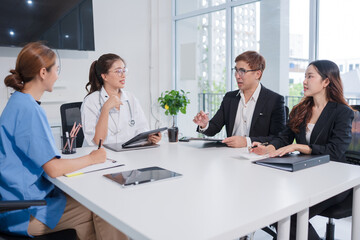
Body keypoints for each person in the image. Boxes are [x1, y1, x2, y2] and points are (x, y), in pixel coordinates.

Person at [0, 42, 127, 239]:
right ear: (43, 72)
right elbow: (53, 168)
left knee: (93, 211)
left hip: (20, 201)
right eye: (56, 70)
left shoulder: (18, 102)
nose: (57, 75)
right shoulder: (29, 110)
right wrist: (93, 158)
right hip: (25, 211)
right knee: (105, 208)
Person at [251, 60, 354, 240]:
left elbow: (336, 151)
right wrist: (269, 148)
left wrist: (300, 146)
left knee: (288, 216)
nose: (304, 81)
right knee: (277, 210)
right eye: (304, 76)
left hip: (333, 180)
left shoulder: (342, 112)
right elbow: (284, 137)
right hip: (304, 177)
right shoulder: (301, 109)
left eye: (310, 76)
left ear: (326, 82)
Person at [193, 51, 286, 148]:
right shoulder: (229, 98)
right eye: (236, 70)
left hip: (258, 157)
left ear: (257, 74)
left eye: (242, 71)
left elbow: (279, 138)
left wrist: (247, 142)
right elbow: (214, 128)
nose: (237, 76)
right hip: (230, 155)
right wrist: (204, 124)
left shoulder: (274, 100)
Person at [81, 53, 161, 146]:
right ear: (104, 76)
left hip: (127, 154)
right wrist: (105, 109)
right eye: (118, 71)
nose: (123, 75)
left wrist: (150, 137)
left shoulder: (131, 98)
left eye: (124, 70)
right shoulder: (91, 101)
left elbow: (142, 130)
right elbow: (98, 141)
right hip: (100, 155)